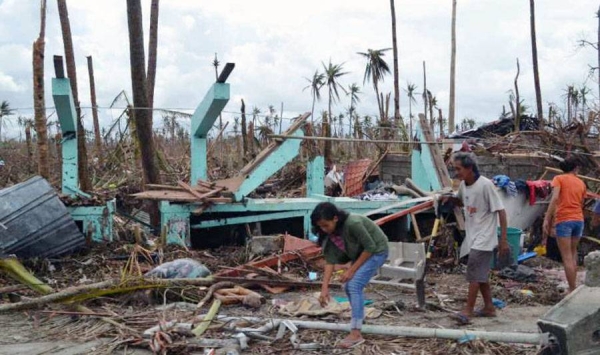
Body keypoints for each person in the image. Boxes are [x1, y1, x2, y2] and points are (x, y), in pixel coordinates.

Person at [311, 202, 389, 348]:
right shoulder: (329, 233)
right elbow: (330, 261)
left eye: (325, 225)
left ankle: (356, 333)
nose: (323, 229)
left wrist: (351, 270)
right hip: (362, 254)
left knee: (354, 285)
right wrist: (324, 289)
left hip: (377, 251)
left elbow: (370, 247)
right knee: (347, 287)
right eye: (320, 226)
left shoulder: (353, 223)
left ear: (335, 218)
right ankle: (358, 320)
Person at [444, 152, 508, 324]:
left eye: (458, 169)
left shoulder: (485, 185)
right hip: (474, 235)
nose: (456, 173)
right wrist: (448, 199)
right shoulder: (465, 185)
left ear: (469, 168)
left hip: (485, 237)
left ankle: (468, 310)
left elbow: (501, 211)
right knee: (480, 274)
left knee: (473, 272)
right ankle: (489, 307)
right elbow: (461, 201)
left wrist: (503, 240)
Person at [543, 157, 586, 293]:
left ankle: (572, 289)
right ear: (575, 168)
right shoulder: (581, 183)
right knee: (573, 254)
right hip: (579, 219)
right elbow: (581, 203)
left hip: (564, 220)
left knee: (566, 256)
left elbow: (555, 198)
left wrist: (547, 218)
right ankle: (575, 287)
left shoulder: (559, 179)